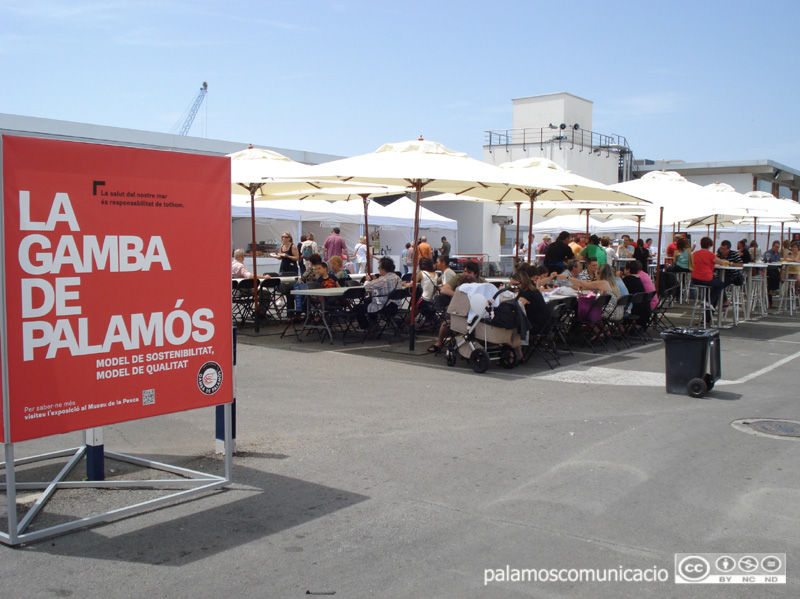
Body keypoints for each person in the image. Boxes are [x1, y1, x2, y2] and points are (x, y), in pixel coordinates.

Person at [427, 261, 485, 354]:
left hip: (475, 309)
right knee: (447, 321)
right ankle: (439, 342)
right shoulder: (458, 278)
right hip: (457, 308)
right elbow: (444, 289)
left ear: (476, 274)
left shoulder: (481, 281)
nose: (465, 274)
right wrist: (459, 297)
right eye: (465, 271)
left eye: (469, 272)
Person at [508, 268, 551, 360]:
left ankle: (513, 354)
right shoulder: (534, 291)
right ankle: (518, 353)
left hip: (536, 326)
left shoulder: (526, 294)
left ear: (523, 283)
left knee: (511, 325)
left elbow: (516, 306)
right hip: (545, 325)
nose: (514, 287)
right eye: (512, 284)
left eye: (516, 285)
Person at [356, 257, 403, 330]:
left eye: (378, 268)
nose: (378, 269)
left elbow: (366, 287)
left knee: (358, 308)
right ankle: (373, 324)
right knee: (368, 301)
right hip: (395, 305)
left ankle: (368, 327)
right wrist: (375, 280)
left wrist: (367, 280)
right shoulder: (397, 278)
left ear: (383, 269)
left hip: (383, 306)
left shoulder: (383, 279)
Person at [692, 236, 730, 311]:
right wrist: (725, 260)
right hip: (706, 278)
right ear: (709, 246)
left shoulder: (695, 254)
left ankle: (708, 303)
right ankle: (709, 301)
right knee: (721, 284)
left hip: (695, 278)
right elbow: (721, 262)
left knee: (715, 285)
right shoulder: (710, 254)